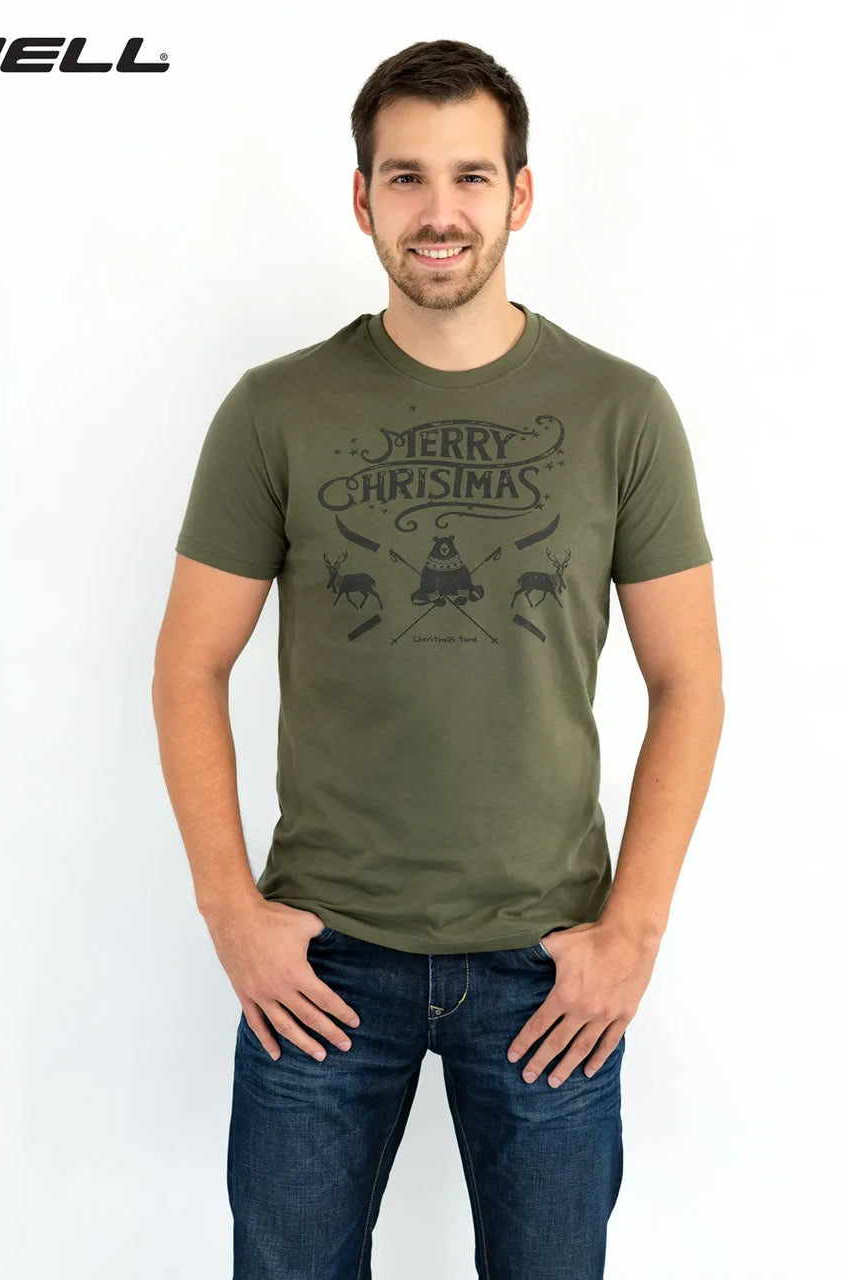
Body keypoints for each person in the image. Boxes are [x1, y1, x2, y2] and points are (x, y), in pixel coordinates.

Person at [153, 37, 724, 1280]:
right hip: (323, 956)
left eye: (470, 175)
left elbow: (689, 681)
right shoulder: (276, 409)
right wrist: (232, 912)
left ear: (521, 193)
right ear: (362, 198)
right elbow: (189, 663)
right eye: (405, 177)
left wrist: (630, 932)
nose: (439, 211)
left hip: (547, 963)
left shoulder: (621, 411)